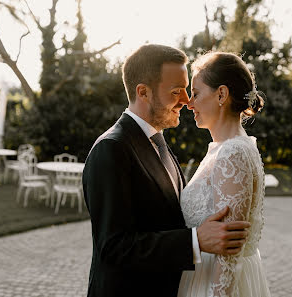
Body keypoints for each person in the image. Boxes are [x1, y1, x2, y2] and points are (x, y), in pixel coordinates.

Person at [82, 44, 250, 297]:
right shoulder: (112, 148)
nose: (186, 100)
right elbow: (114, 246)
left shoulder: (158, 142)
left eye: (187, 90)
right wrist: (195, 241)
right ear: (143, 92)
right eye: (176, 91)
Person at [178, 52, 271, 297]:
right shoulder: (225, 148)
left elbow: (229, 254)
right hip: (201, 276)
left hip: (214, 285)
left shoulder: (233, 153)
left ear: (221, 94)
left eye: (196, 93)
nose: (189, 103)